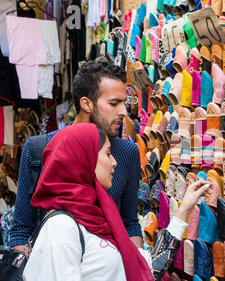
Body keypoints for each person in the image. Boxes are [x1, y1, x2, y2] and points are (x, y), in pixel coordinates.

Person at [22, 123, 210, 281]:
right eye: (108, 153)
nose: (114, 162)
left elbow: (143, 270)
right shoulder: (61, 228)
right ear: (84, 159)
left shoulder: (98, 219)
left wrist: (184, 210)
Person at [9, 60, 144, 252]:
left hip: (108, 272)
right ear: (86, 104)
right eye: (114, 103)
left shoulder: (126, 153)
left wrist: (137, 272)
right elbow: (22, 229)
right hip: (53, 269)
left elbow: (129, 223)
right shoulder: (39, 148)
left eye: (124, 102)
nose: (123, 112)